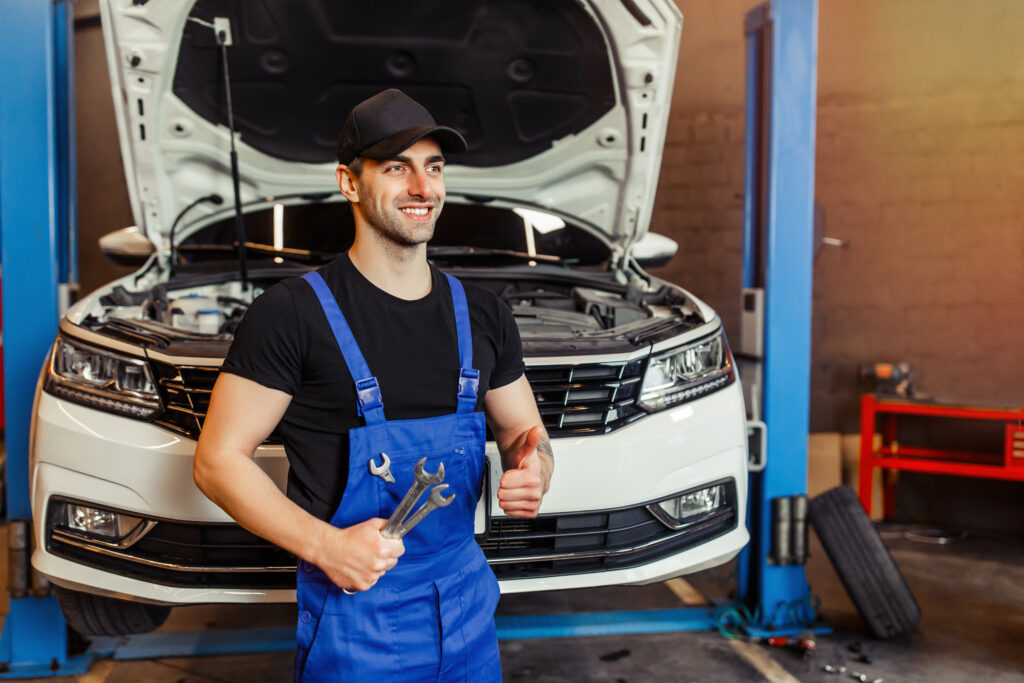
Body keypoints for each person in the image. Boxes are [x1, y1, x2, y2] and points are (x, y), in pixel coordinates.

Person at [193, 88, 553, 682]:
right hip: (357, 618)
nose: (422, 187)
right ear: (349, 182)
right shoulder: (292, 314)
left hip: (468, 608)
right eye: (396, 168)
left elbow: (524, 432)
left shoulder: (484, 313)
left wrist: (536, 468)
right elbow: (216, 462)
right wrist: (324, 547)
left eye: (433, 167)